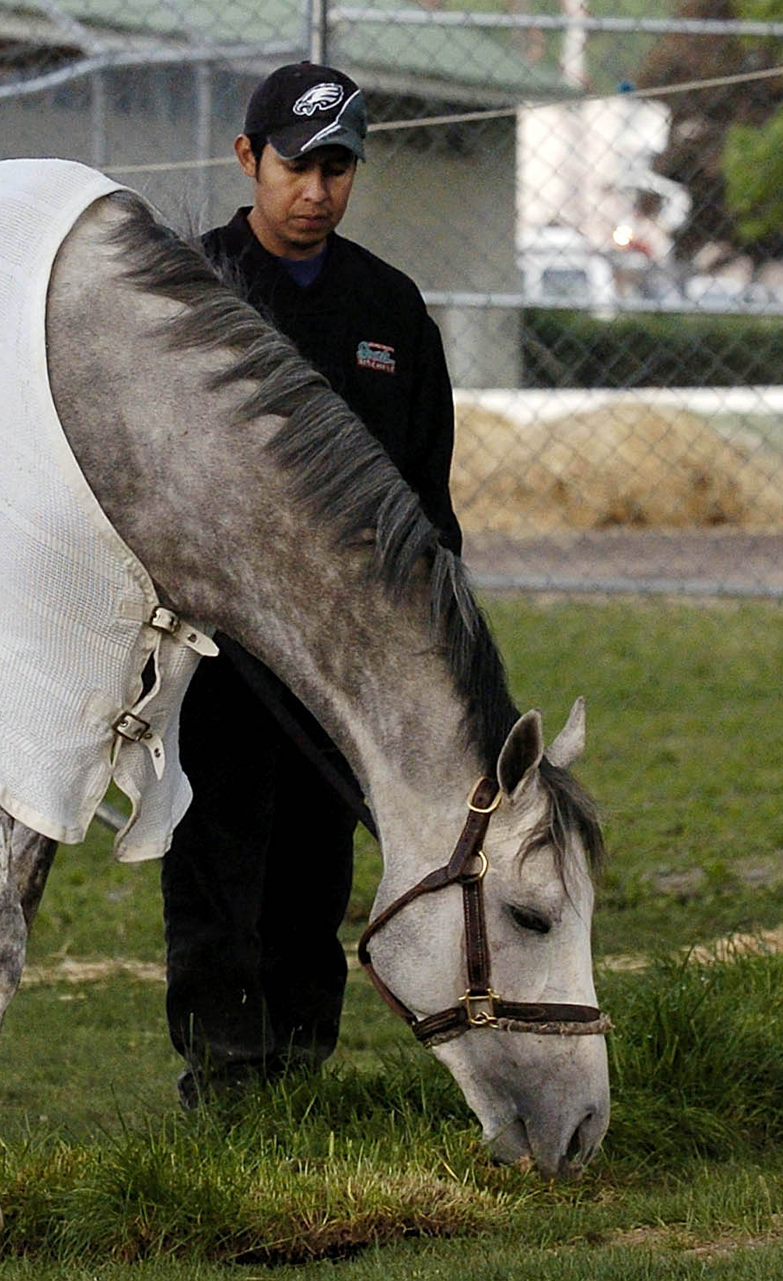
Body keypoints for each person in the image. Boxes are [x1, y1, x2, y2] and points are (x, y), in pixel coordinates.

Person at [164, 61, 463, 1102]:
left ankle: (299, 1060)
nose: (318, 190)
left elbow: (428, 497)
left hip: (344, 658)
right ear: (248, 158)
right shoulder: (188, 294)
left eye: (339, 168)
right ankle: (221, 1066)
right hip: (219, 649)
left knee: (312, 860)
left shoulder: (389, 309)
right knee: (216, 850)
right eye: (298, 165)